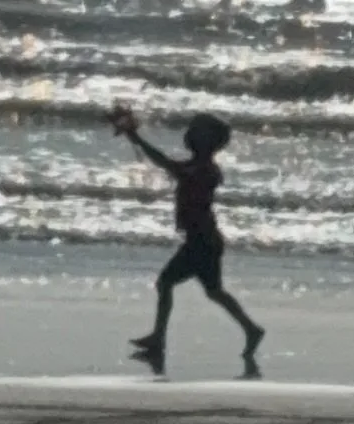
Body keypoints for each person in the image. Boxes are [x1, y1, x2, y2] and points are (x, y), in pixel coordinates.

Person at [112, 106, 264, 377]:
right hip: (204, 241)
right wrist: (135, 138)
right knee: (213, 291)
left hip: (202, 242)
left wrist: (137, 138)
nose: (191, 135)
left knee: (166, 282)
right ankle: (251, 329)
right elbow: (166, 163)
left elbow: (170, 166)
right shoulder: (197, 167)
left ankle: (159, 339)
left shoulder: (207, 171)